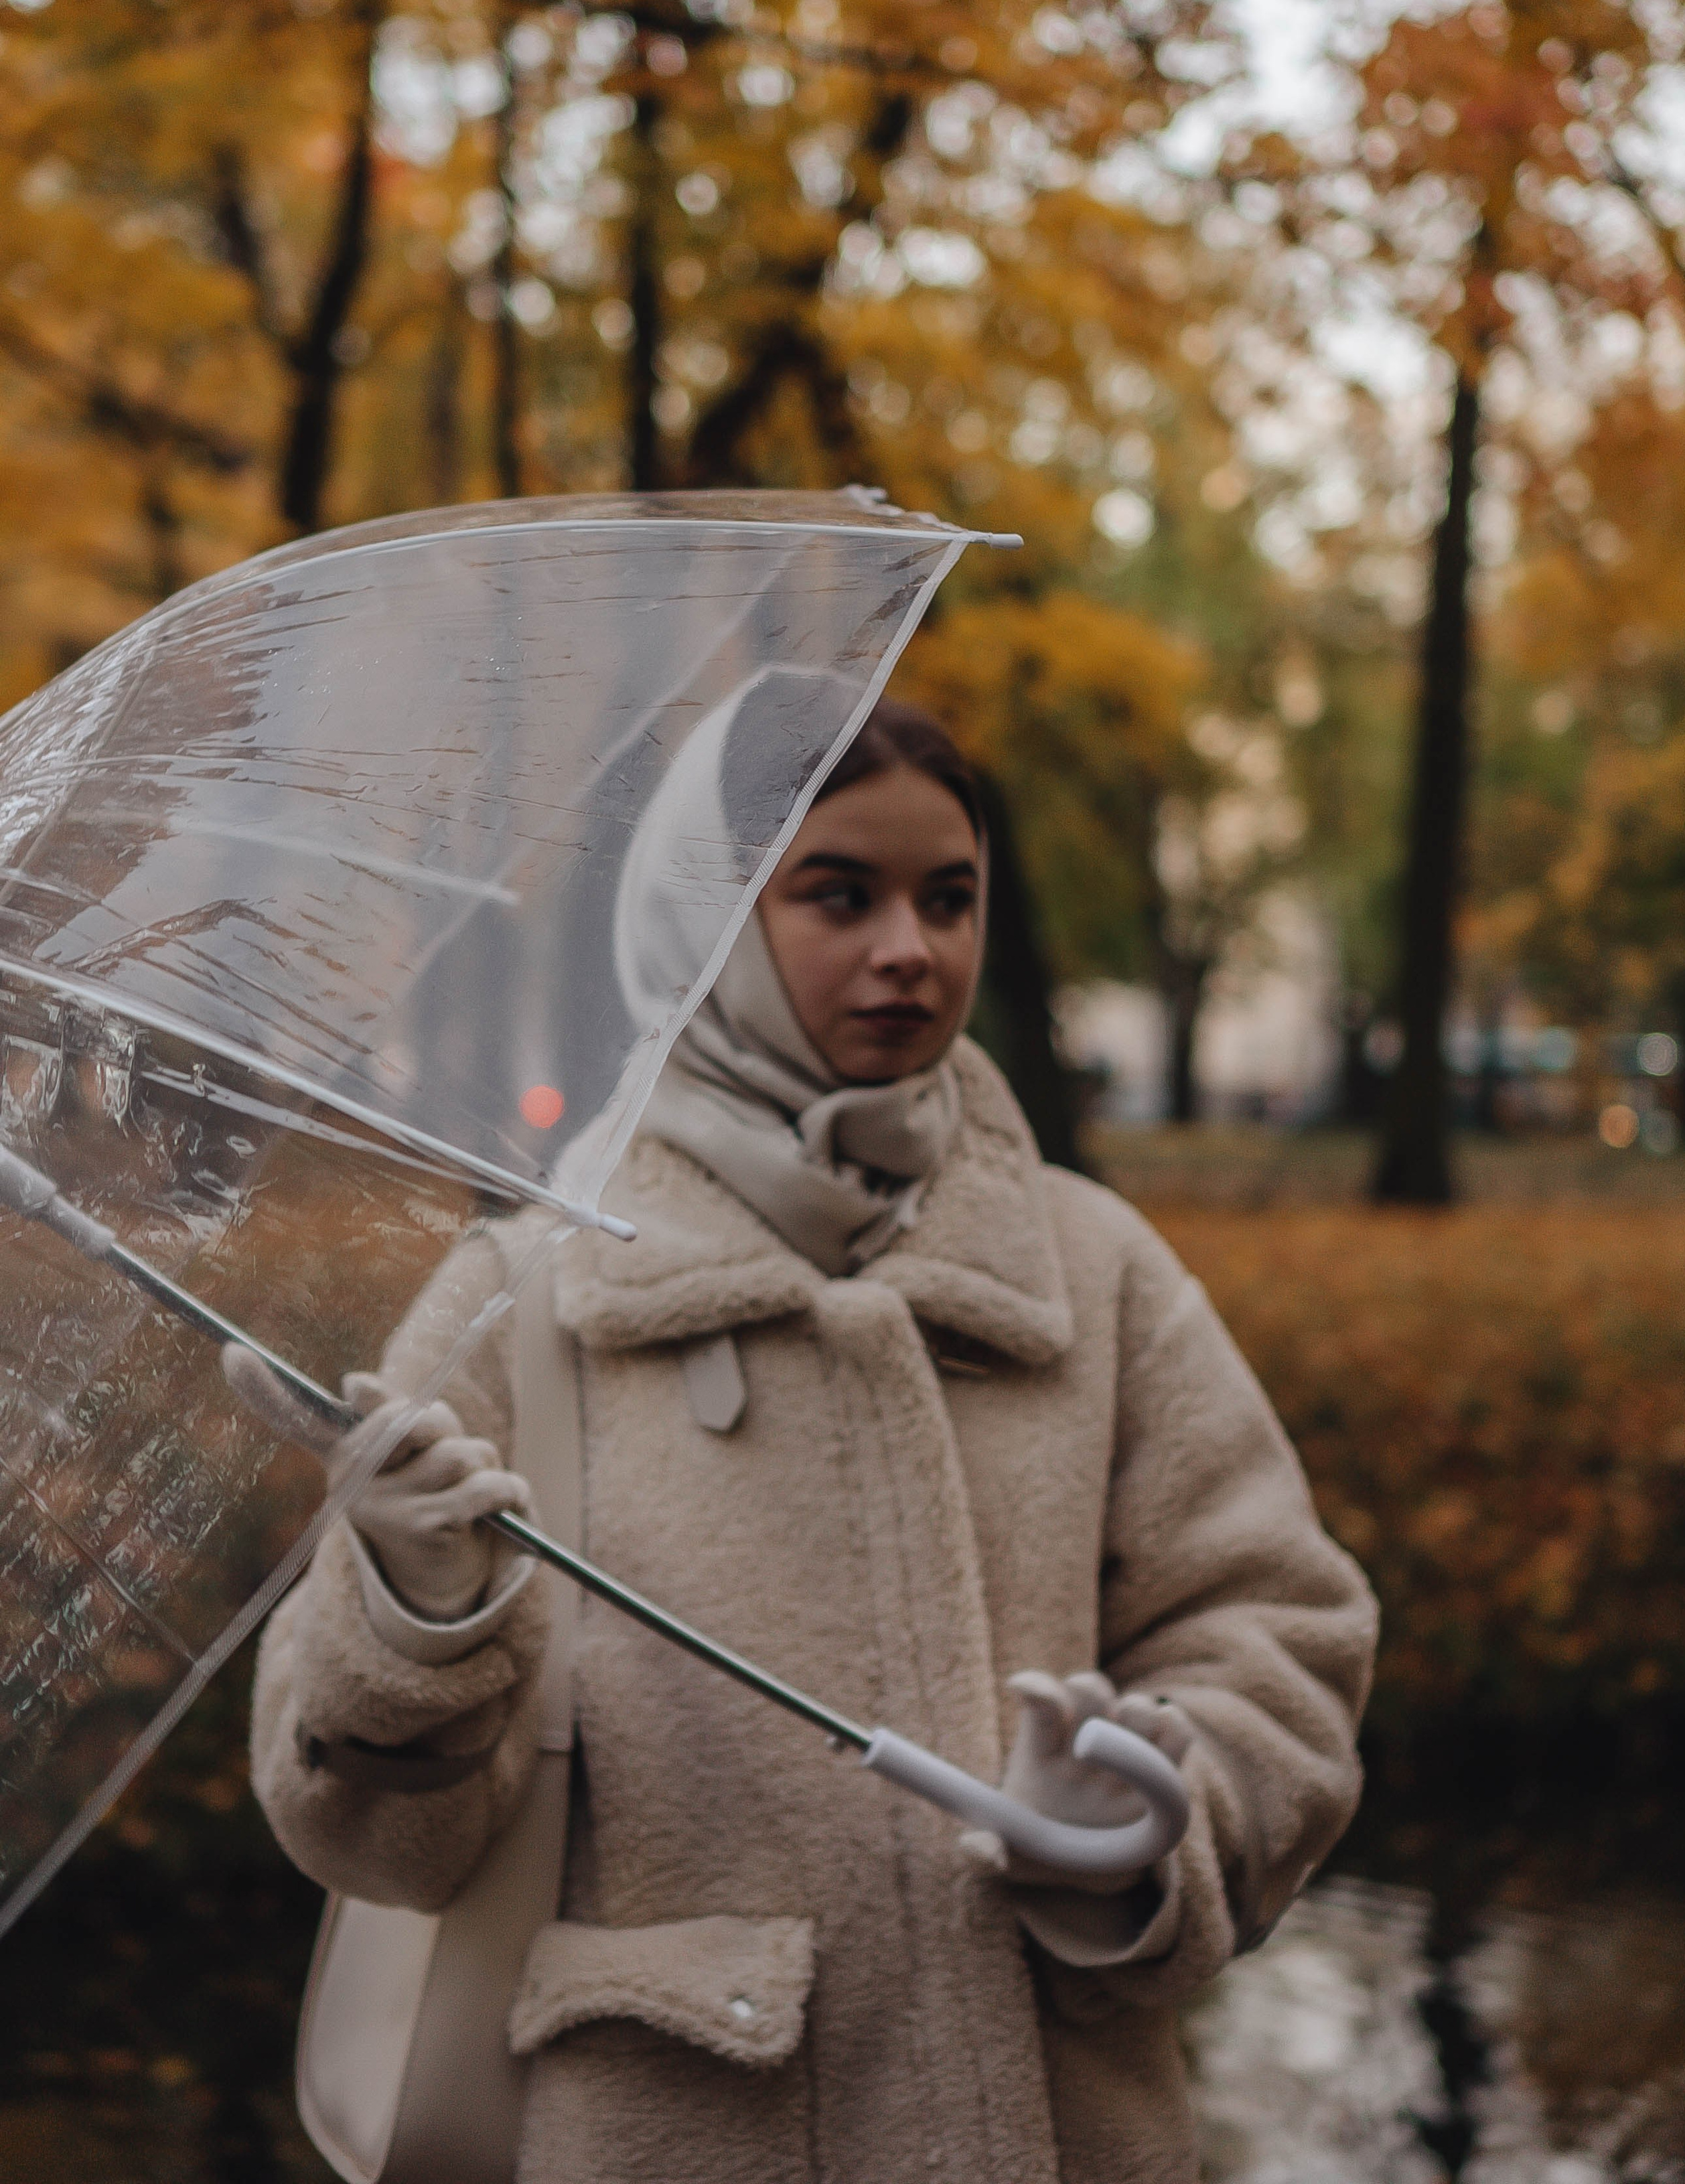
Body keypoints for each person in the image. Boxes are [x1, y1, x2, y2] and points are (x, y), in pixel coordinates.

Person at [252, 695, 1376, 2184]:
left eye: (948, 897)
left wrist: (1148, 1819)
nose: (908, 947)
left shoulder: (1089, 1269)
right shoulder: (530, 1297)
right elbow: (379, 1847)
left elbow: (1275, 1625)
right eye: (838, 894)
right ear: (705, 922)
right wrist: (412, 1610)